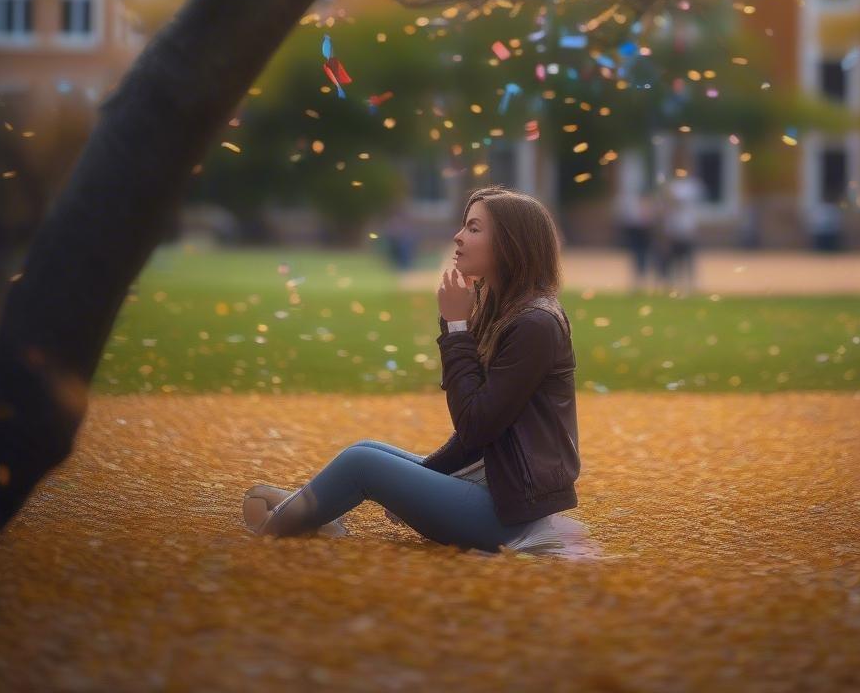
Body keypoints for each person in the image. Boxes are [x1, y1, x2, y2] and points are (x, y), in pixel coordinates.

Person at [243, 184, 584, 555]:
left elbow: (475, 423)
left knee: (362, 463)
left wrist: (456, 327)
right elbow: (479, 430)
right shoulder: (509, 311)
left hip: (509, 515)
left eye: (473, 228)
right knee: (367, 448)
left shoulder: (535, 323)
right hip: (499, 487)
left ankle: (276, 526)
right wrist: (421, 481)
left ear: (510, 243)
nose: (457, 236)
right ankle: (313, 512)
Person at [654, 172, 705, 295]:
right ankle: (671, 284)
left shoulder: (691, 187)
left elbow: (680, 204)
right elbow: (663, 210)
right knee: (672, 259)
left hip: (686, 230)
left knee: (687, 259)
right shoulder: (670, 188)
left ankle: (689, 285)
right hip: (672, 231)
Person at [614, 185, 654, 291]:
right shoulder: (635, 208)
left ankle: (644, 279)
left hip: (646, 235)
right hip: (637, 234)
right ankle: (638, 280)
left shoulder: (649, 208)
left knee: (645, 257)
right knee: (637, 256)